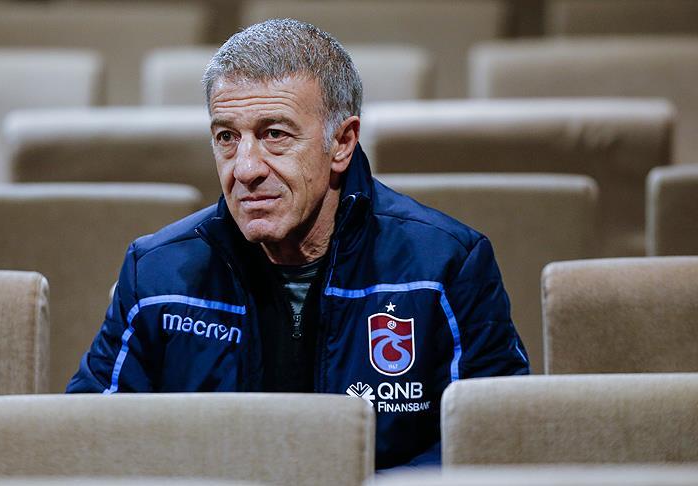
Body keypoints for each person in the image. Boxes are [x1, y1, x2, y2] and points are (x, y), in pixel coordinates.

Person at [67, 18, 529, 469]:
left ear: (342, 143)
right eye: (227, 137)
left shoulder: (446, 265)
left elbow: (493, 444)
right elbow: (86, 442)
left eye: (274, 134)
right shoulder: (155, 273)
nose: (245, 168)